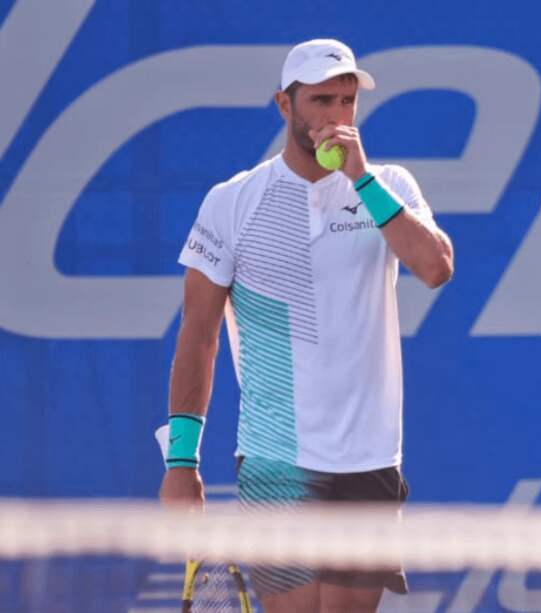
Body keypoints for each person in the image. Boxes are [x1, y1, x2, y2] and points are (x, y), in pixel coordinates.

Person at [158, 38, 454, 613]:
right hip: (277, 460)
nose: (337, 117)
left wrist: (362, 179)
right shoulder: (233, 201)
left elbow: (436, 267)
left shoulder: (389, 186)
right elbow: (198, 335)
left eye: (347, 101)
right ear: (284, 105)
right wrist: (181, 462)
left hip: (369, 458)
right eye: (322, 101)